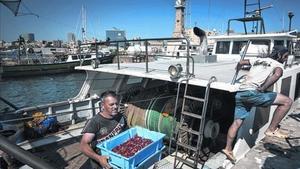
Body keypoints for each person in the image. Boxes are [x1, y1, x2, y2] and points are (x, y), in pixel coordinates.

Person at [222, 47, 293, 163]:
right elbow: (277, 74)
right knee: (287, 102)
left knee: (236, 123)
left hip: (241, 93)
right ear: (280, 55)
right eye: (285, 57)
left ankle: (228, 148)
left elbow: (241, 62)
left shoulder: (258, 60)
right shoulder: (276, 64)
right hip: (253, 93)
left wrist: (237, 70)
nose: (286, 59)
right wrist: (263, 88)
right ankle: (272, 129)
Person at [80, 90, 128, 169]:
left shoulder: (121, 117)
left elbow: (127, 133)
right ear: (103, 105)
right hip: (101, 161)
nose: (115, 107)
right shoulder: (94, 122)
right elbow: (83, 145)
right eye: (111, 104)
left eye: (116, 104)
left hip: (119, 155)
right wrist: (99, 158)